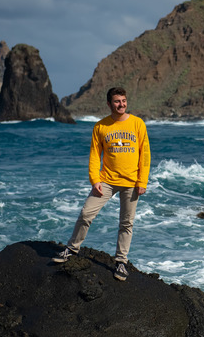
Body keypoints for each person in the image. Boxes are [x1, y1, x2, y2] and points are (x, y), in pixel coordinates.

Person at [52, 87, 151, 281]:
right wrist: (95, 180)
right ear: (109, 104)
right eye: (117, 101)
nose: (121, 104)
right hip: (106, 181)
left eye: (123, 100)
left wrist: (142, 181)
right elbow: (95, 155)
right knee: (86, 213)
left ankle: (121, 262)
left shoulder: (138, 124)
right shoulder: (101, 127)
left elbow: (145, 155)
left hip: (131, 182)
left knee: (126, 223)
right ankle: (72, 249)